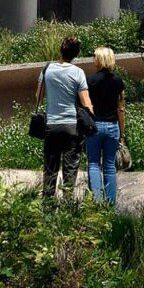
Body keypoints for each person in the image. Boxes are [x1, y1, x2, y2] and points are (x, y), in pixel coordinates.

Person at [35, 36, 91, 205]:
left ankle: (48, 204)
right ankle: (67, 203)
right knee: (70, 167)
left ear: (61, 50)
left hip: (51, 125)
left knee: (50, 167)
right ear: (75, 54)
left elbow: (38, 95)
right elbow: (85, 101)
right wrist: (91, 119)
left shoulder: (47, 69)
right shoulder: (78, 72)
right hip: (71, 126)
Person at [84, 45, 129, 204]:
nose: (93, 60)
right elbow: (121, 108)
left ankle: (96, 202)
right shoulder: (118, 81)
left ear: (100, 60)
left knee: (94, 164)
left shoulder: (90, 80)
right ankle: (111, 203)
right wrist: (122, 133)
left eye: (95, 57)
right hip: (112, 126)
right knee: (110, 165)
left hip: (95, 125)